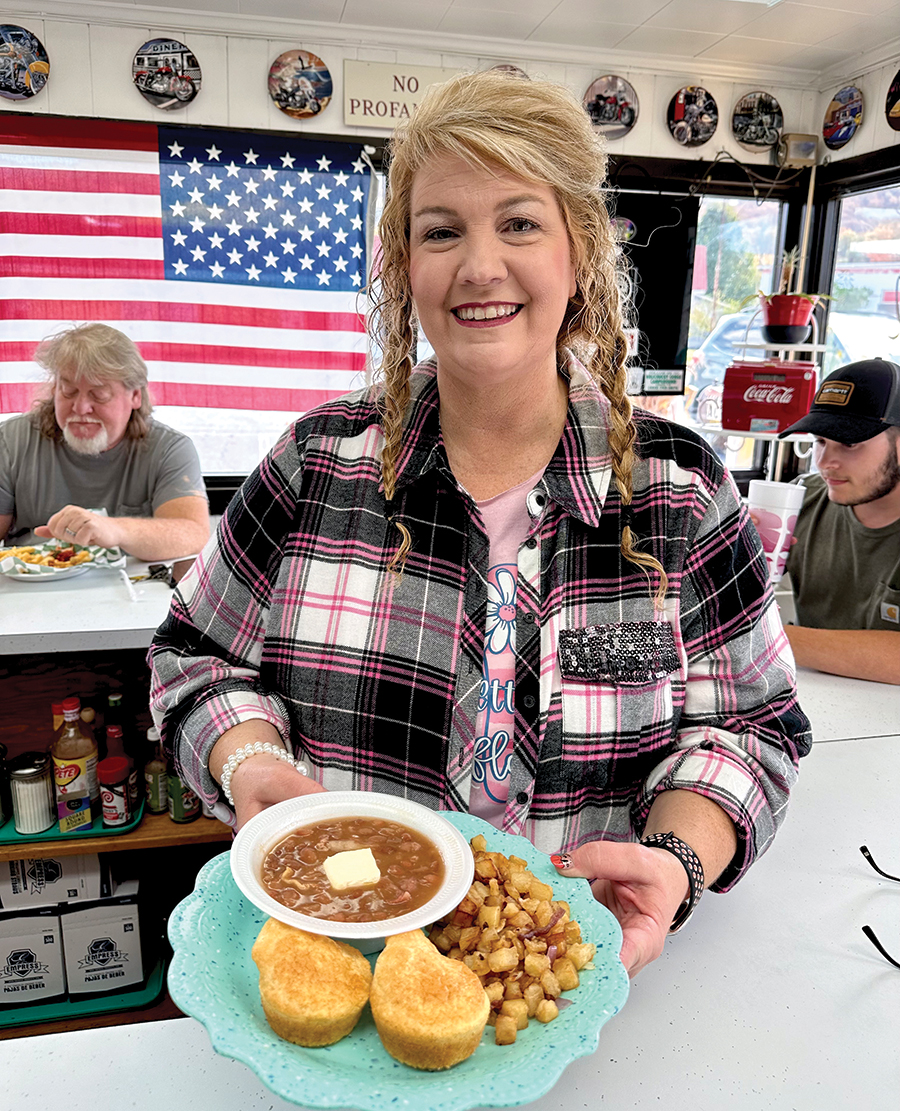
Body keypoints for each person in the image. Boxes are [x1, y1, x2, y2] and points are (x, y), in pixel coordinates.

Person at [149, 72, 810, 978]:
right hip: (342, 962)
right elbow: (193, 657)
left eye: (520, 223)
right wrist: (251, 761)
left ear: (580, 251)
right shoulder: (315, 463)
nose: (480, 265)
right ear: (403, 267)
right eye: (441, 231)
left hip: (574, 975)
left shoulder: (681, 492)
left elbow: (755, 728)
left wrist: (677, 859)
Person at [0, 323, 210, 561]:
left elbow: (193, 534)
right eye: (68, 391)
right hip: (28, 579)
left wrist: (115, 529)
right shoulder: (10, 442)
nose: (80, 408)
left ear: (135, 396)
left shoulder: (169, 449)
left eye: (99, 395)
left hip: (133, 581)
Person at [775, 358, 900, 685]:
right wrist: (739, 558)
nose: (825, 462)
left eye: (849, 443)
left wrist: (765, 636)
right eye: (820, 441)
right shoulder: (801, 499)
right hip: (812, 702)